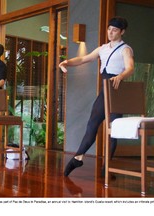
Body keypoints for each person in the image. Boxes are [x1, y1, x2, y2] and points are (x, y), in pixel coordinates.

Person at [59, 17, 134, 177]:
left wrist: (120, 76)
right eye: (109, 29)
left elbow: (130, 68)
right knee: (92, 125)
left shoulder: (125, 49)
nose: (110, 32)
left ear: (122, 32)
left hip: (116, 91)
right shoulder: (103, 48)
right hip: (104, 90)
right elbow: (83, 59)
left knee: (114, 130)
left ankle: (107, 167)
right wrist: (66, 62)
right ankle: (78, 157)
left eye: (114, 30)